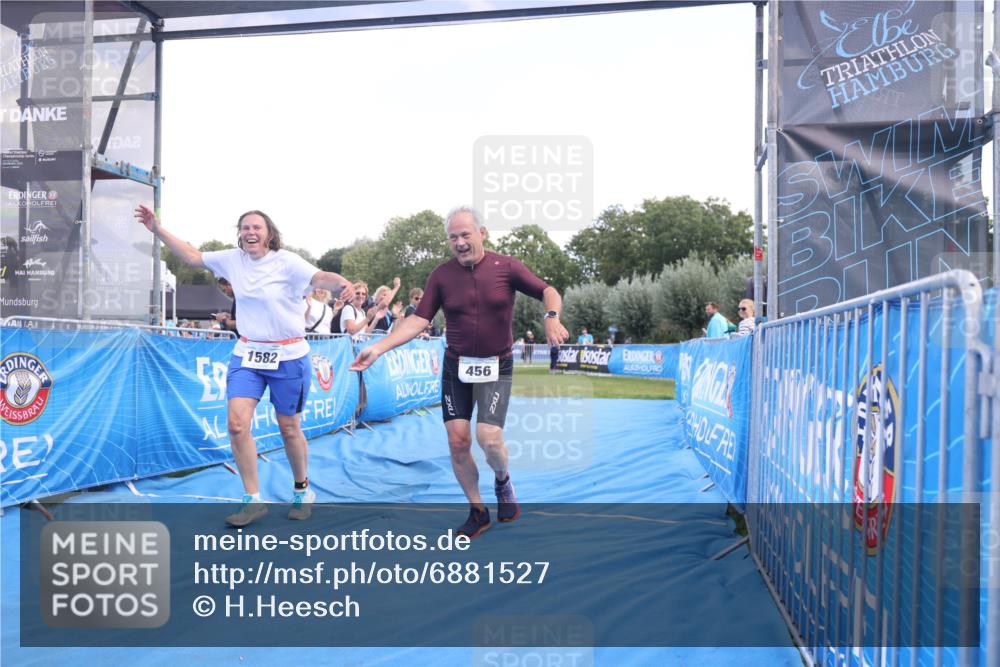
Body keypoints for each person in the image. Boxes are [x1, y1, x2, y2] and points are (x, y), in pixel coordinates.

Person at [350, 205, 569, 538]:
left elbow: (547, 291)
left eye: (466, 234)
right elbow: (418, 320)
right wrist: (379, 347)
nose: (460, 242)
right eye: (453, 237)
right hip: (457, 367)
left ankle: (502, 480)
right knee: (458, 441)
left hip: (497, 365)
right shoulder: (442, 275)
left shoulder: (506, 267)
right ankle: (477, 510)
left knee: (489, 439)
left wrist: (551, 317)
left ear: (481, 233)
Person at [134, 204, 354, 525]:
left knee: (289, 427)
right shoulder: (232, 260)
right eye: (245, 228)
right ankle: (252, 498)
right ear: (240, 234)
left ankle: (302, 489)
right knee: (237, 424)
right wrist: (157, 228)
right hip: (248, 354)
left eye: (257, 228)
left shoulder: (287, 262)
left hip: (288, 355)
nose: (250, 232)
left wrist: (341, 284)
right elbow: (193, 256)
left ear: (269, 234)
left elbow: (321, 277)